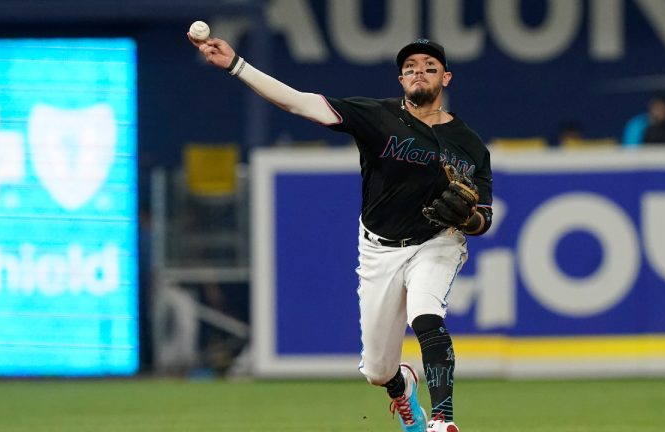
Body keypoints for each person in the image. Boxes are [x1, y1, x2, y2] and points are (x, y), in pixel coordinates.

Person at [189, 34, 493, 432]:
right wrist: (236, 65)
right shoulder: (377, 116)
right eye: (410, 68)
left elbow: (483, 218)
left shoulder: (469, 145)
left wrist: (469, 221)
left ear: (446, 78)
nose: (419, 71)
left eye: (429, 67)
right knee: (378, 372)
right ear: (401, 80)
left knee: (427, 314)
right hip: (379, 249)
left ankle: (442, 421)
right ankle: (403, 389)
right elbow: (298, 101)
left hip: (437, 242)